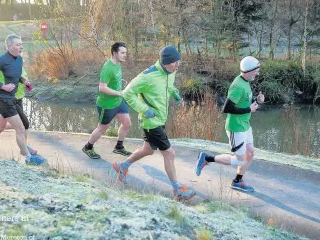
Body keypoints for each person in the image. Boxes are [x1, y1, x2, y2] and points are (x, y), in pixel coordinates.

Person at [113, 46, 196, 201]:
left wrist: (175, 94)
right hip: (151, 122)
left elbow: (168, 86)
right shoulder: (147, 76)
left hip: (160, 119)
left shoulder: (170, 72)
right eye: (174, 63)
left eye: (178, 62)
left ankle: (122, 167)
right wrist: (144, 109)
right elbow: (127, 92)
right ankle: (177, 190)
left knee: (148, 150)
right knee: (169, 153)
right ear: (165, 62)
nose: (177, 65)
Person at [194, 56, 264, 192]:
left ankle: (237, 181)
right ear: (249, 70)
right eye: (256, 70)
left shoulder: (246, 82)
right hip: (236, 128)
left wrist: (257, 100)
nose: (257, 73)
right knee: (239, 160)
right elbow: (226, 108)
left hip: (245, 126)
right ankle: (206, 158)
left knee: (250, 153)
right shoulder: (237, 86)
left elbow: (244, 102)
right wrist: (249, 109)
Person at [0, 34, 45, 165]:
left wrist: (24, 81)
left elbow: (16, 75)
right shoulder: (1, 60)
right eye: (18, 44)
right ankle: (29, 158)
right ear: (9, 46)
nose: (21, 46)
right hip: (1, 98)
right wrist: (3, 86)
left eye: (21, 44)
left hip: (11, 97)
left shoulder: (18, 59)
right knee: (20, 128)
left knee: (0, 127)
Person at [82, 42, 132, 159]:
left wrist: (120, 90)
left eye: (126, 53)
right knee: (102, 129)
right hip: (107, 105)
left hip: (118, 102)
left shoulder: (118, 64)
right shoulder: (107, 68)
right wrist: (119, 92)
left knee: (127, 123)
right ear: (115, 53)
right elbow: (102, 88)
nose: (125, 55)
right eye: (122, 53)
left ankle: (119, 147)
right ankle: (88, 147)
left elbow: (114, 82)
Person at [0, 66, 37, 155]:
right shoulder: (4, 66)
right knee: (24, 124)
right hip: (9, 100)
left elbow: (21, 79)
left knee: (1, 126)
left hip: (19, 99)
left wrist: (27, 83)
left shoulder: (21, 67)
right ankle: (25, 151)